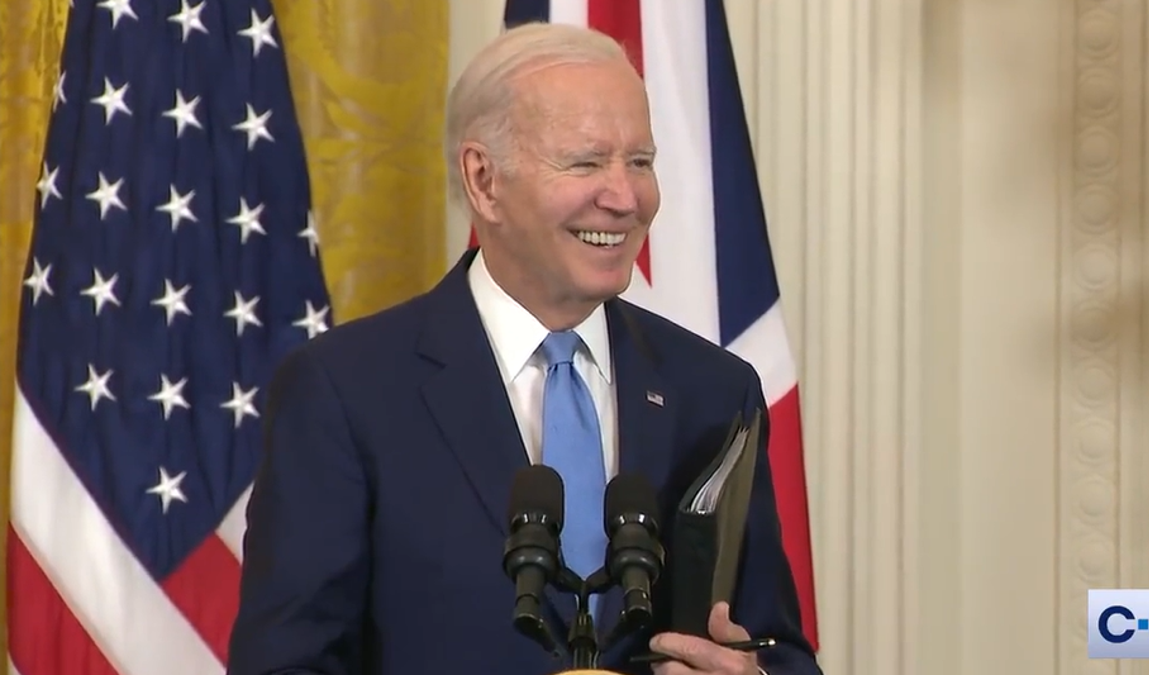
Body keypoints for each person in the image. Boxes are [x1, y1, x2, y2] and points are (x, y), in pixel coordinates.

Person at [227, 21, 821, 675]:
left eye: (641, 162)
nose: (626, 198)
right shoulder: (345, 391)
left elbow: (776, 646)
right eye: (587, 162)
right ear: (484, 179)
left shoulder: (712, 390)